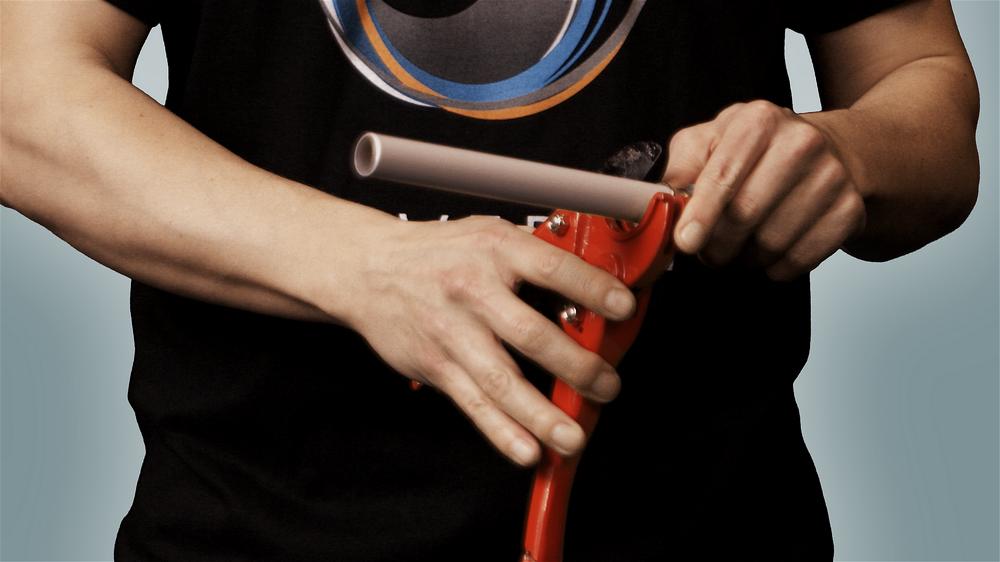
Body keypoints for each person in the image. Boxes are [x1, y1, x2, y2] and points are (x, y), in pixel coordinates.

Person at [0, 0, 979, 560]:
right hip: (253, 530)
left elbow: (926, 93)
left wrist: (845, 154)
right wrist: (365, 265)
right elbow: (23, 97)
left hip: (714, 525)